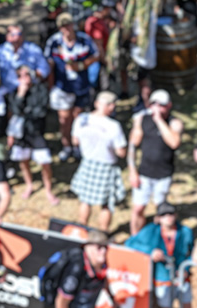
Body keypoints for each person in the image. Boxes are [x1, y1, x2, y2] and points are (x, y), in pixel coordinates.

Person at [126, 202, 194, 308]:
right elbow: (130, 243)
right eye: (164, 215)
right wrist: (150, 251)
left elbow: (192, 252)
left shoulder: (185, 232)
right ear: (158, 218)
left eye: (171, 214)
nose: (168, 217)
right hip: (163, 279)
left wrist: (187, 267)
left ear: (176, 215)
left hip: (182, 278)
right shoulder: (151, 231)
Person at [45, 13, 101, 163]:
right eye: (63, 26)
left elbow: (96, 55)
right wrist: (50, 85)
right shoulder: (54, 42)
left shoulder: (84, 40)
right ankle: (66, 146)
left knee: (79, 118)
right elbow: (49, 64)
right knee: (64, 119)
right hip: (62, 87)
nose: (66, 29)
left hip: (81, 86)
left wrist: (81, 65)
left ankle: (78, 146)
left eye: (68, 25)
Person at [127, 89, 183, 235]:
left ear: (169, 106)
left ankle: (158, 238)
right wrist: (132, 171)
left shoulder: (174, 123)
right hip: (144, 172)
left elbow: (174, 143)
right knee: (138, 208)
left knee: (161, 210)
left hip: (163, 175)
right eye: (154, 104)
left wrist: (159, 121)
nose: (157, 108)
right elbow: (132, 145)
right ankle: (135, 238)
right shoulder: (142, 120)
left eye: (161, 105)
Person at [71, 91, 127, 233]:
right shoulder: (113, 125)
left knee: (85, 200)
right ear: (97, 104)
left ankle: (82, 229)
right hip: (106, 166)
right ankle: (103, 231)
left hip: (87, 163)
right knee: (107, 203)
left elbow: (75, 141)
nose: (112, 107)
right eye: (109, 104)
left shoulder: (81, 119)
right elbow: (121, 152)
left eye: (113, 104)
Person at [55, 231, 120, 308]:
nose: (103, 251)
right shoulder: (76, 270)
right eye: (99, 247)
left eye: (105, 247)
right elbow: (61, 302)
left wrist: (113, 300)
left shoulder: (101, 264)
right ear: (88, 248)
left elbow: (103, 279)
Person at [8, 63, 57, 204]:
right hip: (22, 133)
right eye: (20, 76)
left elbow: (41, 111)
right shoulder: (14, 92)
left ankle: (48, 189)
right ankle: (29, 184)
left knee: (45, 162)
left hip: (36, 132)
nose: (24, 78)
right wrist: (21, 95)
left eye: (27, 74)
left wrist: (25, 112)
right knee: (23, 161)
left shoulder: (40, 89)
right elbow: (15, 110)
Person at [0, 24, 49, 91]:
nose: (16, 37)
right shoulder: (0, 51)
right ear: (7, 36)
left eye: (18, 34)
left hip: (30, 90)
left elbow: (44, 70)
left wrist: (31, 74)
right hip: (6, 90)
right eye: (12, 34)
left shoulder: (33, 50)